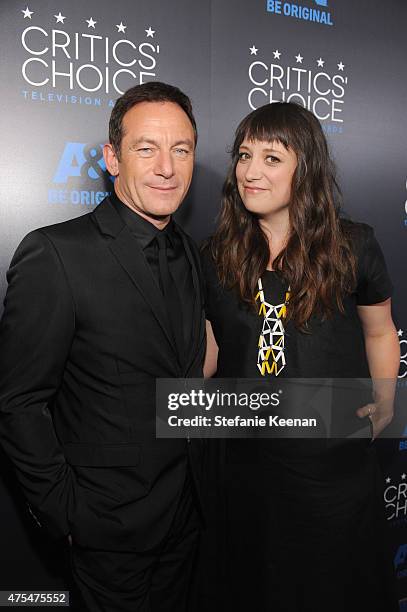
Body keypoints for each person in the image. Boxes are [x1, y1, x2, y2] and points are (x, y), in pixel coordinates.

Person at [0, 82, 206, 611]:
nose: (167, 167)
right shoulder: (56, 254)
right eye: (147, 148)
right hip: (107, 531)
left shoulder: (193, 252)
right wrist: (66, 514)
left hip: (190, 521)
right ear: (113, 158)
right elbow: (19, 402)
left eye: (181, 150)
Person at [201, 102, 400, 611]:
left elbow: (379, 332)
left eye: (271, 158)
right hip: (248, 471)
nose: (249, 171)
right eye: (244, 156)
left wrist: (385, 401)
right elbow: (212, 351)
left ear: (304, 167)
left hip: (333, 474)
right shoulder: (216, 255)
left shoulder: (353, 245)